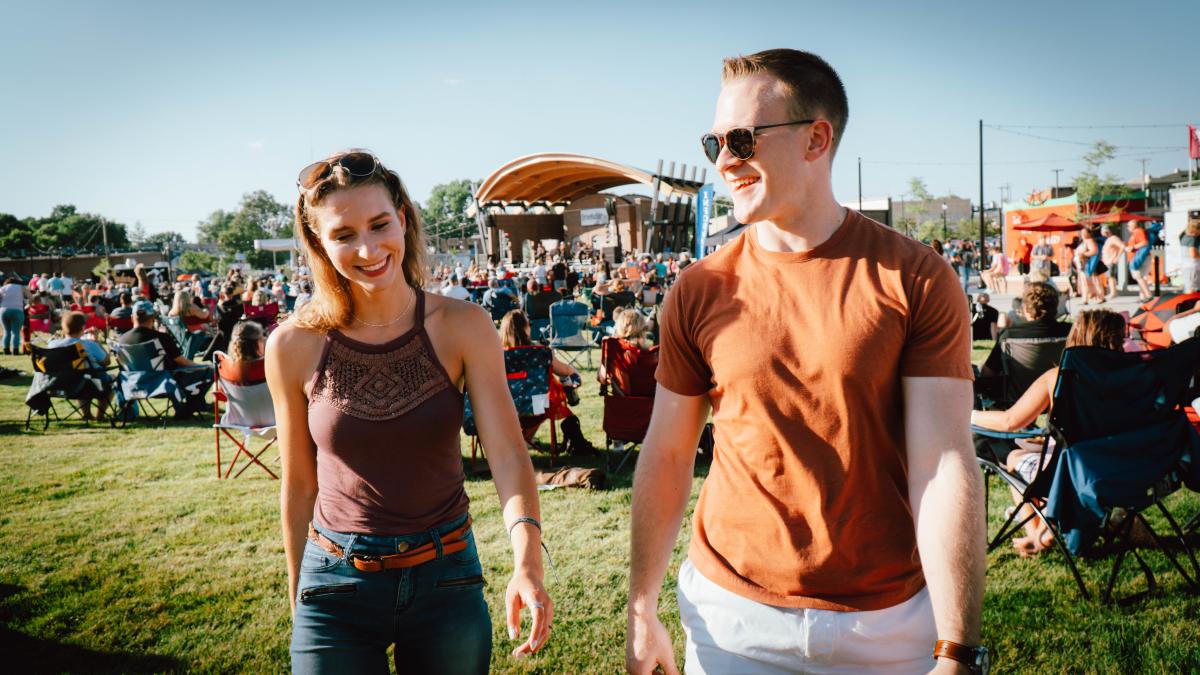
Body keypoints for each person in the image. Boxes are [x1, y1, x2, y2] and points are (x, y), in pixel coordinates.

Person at [627, 50, 984, 675]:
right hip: (730, 619)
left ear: (817, 138)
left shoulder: (916, 277)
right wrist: (641, 606)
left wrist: (955, 647)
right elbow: (668, 453)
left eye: (742, 138)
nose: (724, 160)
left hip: (887, 626)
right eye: (714, 141)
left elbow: (942, 463)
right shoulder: (698, 288)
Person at [268, 150, 551, 673]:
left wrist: (527, 562)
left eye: (379, 224)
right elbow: (299, 484)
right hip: (334, 584)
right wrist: (299, 596)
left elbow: (509, 456)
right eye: (344, 234)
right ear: (318, 244)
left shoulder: (463, 325)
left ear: (403, 216)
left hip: (447, 578)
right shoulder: (292, 344)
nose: (369, 248)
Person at [971, 310, 1125, 556]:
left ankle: (1038, 536)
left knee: (1012, 458)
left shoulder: (1058, 377)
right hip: (1118, 466)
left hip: (1072, 474)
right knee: (1032, 447)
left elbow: (1010, 421)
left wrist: (969, 415)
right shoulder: (1131, 375)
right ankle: (1048, 525)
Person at [498, 309, 593, 456]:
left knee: (535, 403)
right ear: (525, 328)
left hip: (504, 405)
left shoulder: (496, 354)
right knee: (543, 403)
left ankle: (518, 441)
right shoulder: (540, 352)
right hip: (535, 407)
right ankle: (523, 439)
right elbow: (565, 370)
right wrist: (575, 376)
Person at [979, 281, 1070, 380]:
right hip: (1060, 393)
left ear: (1025, 309)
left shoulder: (1009, 336)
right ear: (1056, 306)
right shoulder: (1070, 332)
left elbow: (988, 373)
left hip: (1022, 394)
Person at [48, 311, 113, 420]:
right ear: (83, 327)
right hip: (85, 385)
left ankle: (87, 414)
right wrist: (97, 342)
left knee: (80, 375)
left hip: (57, 385)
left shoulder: (52, 345)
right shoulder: (89, 345)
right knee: (110, 379)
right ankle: (100, 416)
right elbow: (106, 361)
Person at [1, 275, 29, 355]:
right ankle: (15, 350)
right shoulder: (21, 287)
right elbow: (31, 297)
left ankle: (6, 350)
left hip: (3, 310)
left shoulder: (2, 288)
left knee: (6, 331)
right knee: (15, 332)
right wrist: (27, 304)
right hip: (17, 310)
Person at [1127, 221, 1154, 300]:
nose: (1127, 227)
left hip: (1139, 258)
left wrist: (1133, 247)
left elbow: (1145, 242)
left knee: (1139, 277)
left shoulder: (1138, 231)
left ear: (1134, 225)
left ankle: (1148, 295)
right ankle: (1143, 296)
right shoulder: (1137, 232)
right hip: (1140, 258)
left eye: (1129, 225)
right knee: (1140, 277)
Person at [1099, 226, 1126, 300]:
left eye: (1102, 232)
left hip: (1111, 260)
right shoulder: (1109, 239)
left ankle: (1113, 292)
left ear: (1106, 232)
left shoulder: (1113, 238)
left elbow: (1122, 246)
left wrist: (1117, 257)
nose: (1102, 234)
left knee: (1111, 277)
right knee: (1110, 277)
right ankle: (1113, 292)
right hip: (1107, 261)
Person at [1180, 221, 1200, 294]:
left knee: (1189, 287)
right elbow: (1193, 254)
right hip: (1193, 266)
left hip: (1187, 266)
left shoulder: (1184, 237)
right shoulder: (1192, 239)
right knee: (1192, 289)